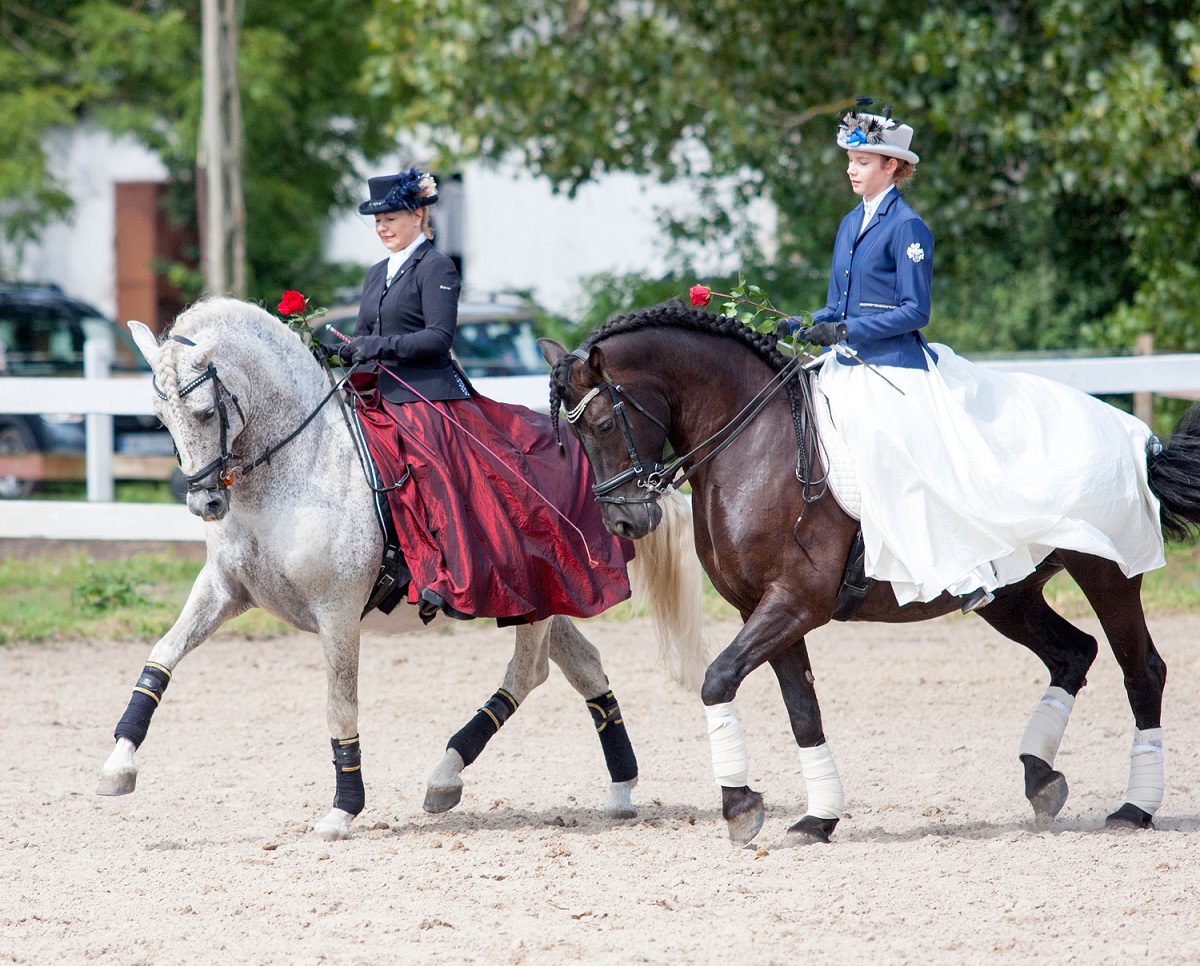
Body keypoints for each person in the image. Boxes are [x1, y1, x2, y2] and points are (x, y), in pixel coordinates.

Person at [797, 99, 1164, 612]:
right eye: (850, 162)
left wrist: (846, 328)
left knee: (890, 444)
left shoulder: (907, 227)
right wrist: (807, 323)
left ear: (892, 166)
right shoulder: (848, 224)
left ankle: (961, 567)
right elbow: (838, 302)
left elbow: (915, 311)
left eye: (862, 162)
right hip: (848, 364)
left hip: (895, 366)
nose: (851, 170)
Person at [336, 167, 631, 624]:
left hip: (427, 397)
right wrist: (345, 349)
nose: (382, 228)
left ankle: (441, 576)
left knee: (430, 471)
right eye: (377, 221)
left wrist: (376, 346)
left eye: (390, 218)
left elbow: (437, 338)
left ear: (418, 216)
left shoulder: (436, 267)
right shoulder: (377, 274)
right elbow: (363, 334)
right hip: (378, 393)